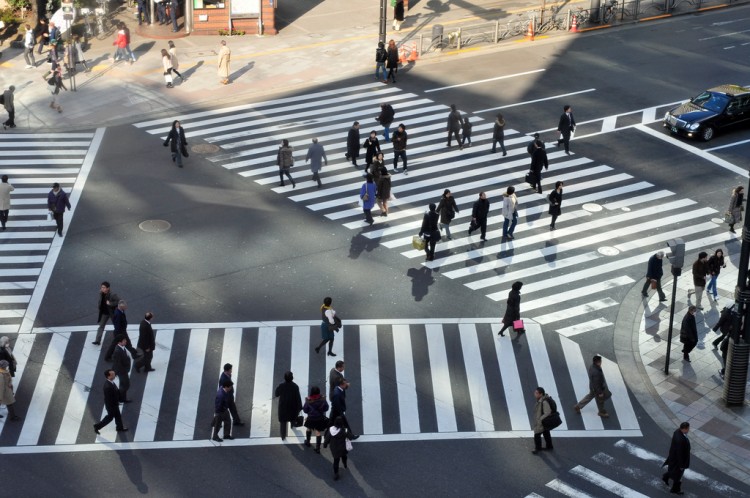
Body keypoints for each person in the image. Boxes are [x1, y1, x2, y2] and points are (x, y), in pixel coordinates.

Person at [662, 422, 691, 495]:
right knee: (679, 475)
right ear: (684, 429)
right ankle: (675, 489)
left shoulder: (677, 432)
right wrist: (681, 465)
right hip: (679, 461)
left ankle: (666, 476)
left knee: (674, 471)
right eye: (688, 428)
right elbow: (680, 454)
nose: (688, 430)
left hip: (673, 457)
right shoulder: (680, 440)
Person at [275, 371, 303, 441]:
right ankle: (292, 426)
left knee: (283, 422)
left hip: (283, 407)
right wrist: (300, 407)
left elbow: (276, 394)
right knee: (293, 418)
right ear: (292, 378)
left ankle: (283, 436)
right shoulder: (295, 386)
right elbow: (298, 398)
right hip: (293, 407)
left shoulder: (281, 385)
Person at [325, 416, 353, 481]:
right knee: (344, 456)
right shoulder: (344, 430)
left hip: (334, 448)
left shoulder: (331, 429)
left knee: (336, 461)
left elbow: (327, 438)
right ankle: (345, 464)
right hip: (343, 447)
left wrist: (325, 445)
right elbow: (351, 437)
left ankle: (336, 474)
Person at [303, 386, 329, 453]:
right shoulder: (322, 399)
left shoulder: (308, 400)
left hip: (311, 418)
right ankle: (318, 448)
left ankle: (308, 442)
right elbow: (326, 408)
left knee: (308, 428)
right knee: (318, 432)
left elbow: (305, 410)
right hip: (319, 418)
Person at [93, 281, 119, 345]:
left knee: (117, 326)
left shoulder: (113, 295)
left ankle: (120, 339)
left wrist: (110, 303)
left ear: (108, 288)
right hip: (104, 313)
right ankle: (97, 340)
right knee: (101, 326)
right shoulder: (101, 293)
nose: (102, 289)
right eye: (101, 287)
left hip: (112, 313)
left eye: (104, 287)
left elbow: (119, 301)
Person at [531, 387, 553, 454]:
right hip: (544, 421)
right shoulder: (541, 400)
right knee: (546, 432)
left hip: (542, 421)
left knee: (537, 434)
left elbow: (547, 412)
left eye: (536, 393)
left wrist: (540, 419)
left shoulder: (544, 402)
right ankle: (549, 446)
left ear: (541, 394)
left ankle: (538, 448)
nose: (535, 394)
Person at [112, 335, 132, 403]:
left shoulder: (121, 348)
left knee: (123, 385)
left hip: (123, 371)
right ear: (120, 342)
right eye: (124, 340)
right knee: (126, 385)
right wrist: (125, 371)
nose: (126, 341)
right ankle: (121, 398)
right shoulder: (118, 351)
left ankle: (121, 398)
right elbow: (118, 364)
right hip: (122, 371)